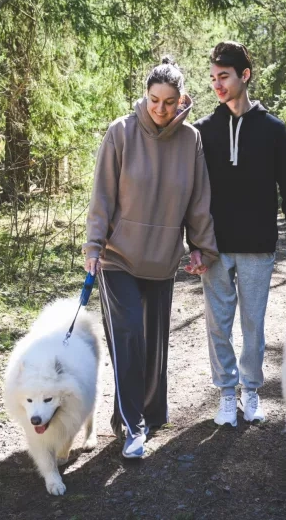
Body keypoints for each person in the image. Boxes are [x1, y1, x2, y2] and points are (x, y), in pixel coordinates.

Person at [83, 57, 219, 459]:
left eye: (170, 102)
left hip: (161, 260)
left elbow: (198, 200)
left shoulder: (191, 139)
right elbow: (102, 196)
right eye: (154, 100)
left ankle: (147, 414)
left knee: (154, 345)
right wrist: (93, 246)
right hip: (117, 258)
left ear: (181, 101)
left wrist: (202, 247)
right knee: (128, 338)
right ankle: (132, 426)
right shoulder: (120, 133)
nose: (160, 109)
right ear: (146, 96)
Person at [192, 41, 286, 427]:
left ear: (244, 76)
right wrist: (193, 242)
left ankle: (251, 390)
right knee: (218, 324)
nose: (217, 84)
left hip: (258, 245)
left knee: (253, 325)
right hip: (214, 246)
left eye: (223, 76)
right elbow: (190, 191)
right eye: (213, 78)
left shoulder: (273, 129)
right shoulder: (203, 131)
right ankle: (227, 393)